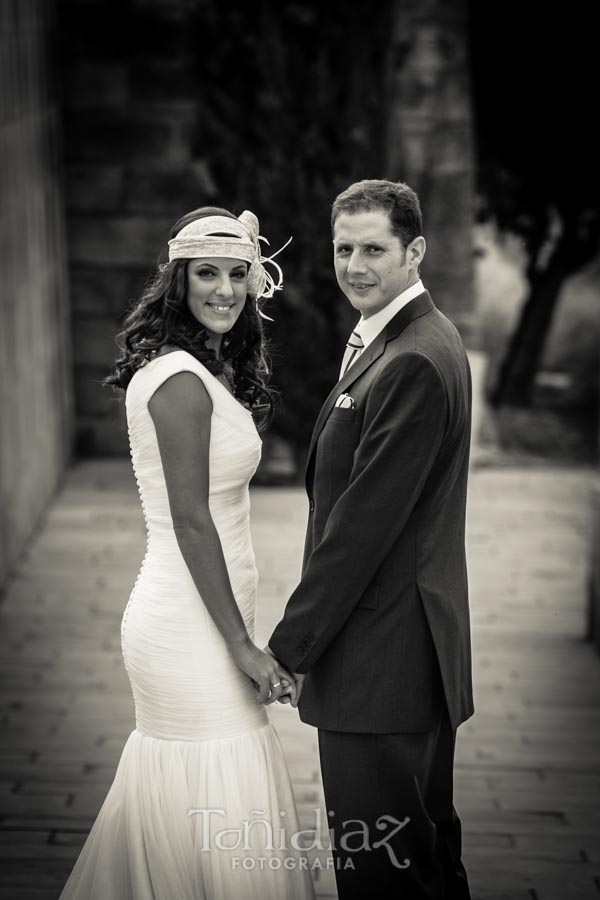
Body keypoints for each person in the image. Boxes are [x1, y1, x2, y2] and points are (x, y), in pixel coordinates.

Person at [59, 206, 315, 900]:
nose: (225, 290)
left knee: (200, 808)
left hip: (206, 613)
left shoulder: (206, 367)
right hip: (188, 625)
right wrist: (243, 646)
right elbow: (192, 519)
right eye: (207, 273)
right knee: (215, 797)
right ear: (178, 280)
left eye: (239, 274)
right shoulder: (178, 380)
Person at [268, 179, 474, 899]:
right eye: (343, 248)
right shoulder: (404, 337)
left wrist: (287, 650)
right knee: (421, 860)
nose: (355, 266)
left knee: (384, 875)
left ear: (415, 250)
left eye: (374, 250)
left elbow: (358, 532)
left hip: (383, 663)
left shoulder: (413, 358)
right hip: (403, 656)